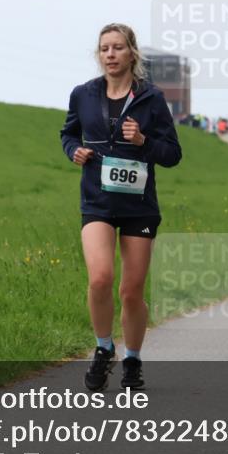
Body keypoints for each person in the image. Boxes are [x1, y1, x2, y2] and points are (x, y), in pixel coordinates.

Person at [59, 23, 182, 391]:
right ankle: (103, 349)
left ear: (132, 53)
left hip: (138, 206)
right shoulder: (83, 94)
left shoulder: (151, 98)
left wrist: (143, 141)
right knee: (99, 278)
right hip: (96, 201)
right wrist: (74, 151)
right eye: (104, 48)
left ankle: (133, 358)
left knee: (131, 290)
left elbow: (172, 154)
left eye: (117, 47)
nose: (110, 54)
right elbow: (68, 133)